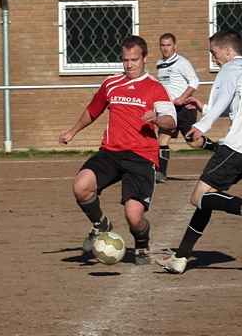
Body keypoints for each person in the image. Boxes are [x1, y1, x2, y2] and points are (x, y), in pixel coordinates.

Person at [156, 30, 242, 274]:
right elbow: (237, 107)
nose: (213, 58)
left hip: (238, 145)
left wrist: (199, 127)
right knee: (207, 200)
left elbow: (223, 103)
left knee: (198, 197)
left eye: (214, 52)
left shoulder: (230, 69)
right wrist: (204, 107)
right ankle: (182, 257)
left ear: (229, 51)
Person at [59, 35, 177, 265]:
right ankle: (101, 224)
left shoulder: (155, 88)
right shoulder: (111, 83)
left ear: (144, 58)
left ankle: (142, 244)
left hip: (141, 156)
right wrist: (72, 132)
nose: (129, 64)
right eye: (125, 60)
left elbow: (171, 121)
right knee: (81, 186)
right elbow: (93, 110)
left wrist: (157, 118)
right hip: (111, 152)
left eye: (134, 59)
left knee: (134, 216)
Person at [155, 33, 201, 183]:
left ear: (175, 46)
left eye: (168, 45)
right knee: (162, 139)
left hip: (184, 109)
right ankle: (160, 174)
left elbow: (194, 81)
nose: (165, 48)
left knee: (192, 141)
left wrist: (182, 98)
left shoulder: (182, 62)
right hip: (169, 109)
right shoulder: (160, 63)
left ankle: (219, 150)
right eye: (163, 45)